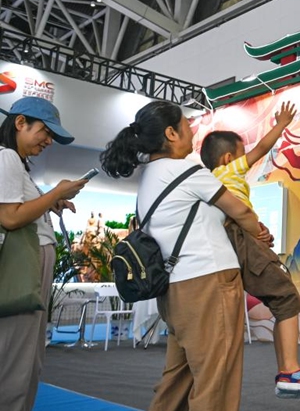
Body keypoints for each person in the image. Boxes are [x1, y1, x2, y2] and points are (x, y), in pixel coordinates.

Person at [100, 101, 264, 411]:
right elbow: (240, 210)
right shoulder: (187, 170)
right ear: (171, 133)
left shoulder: (149, 176)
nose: (192, 133)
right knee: (216, 381)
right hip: (208, 283)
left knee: (177, 381)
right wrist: (259, 231)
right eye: (187, 127)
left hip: (175, 291)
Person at [200, 101, 300, 397]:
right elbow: (261, 149)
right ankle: (290, 371)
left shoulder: (209, 182)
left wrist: (257, 231)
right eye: (241, 156)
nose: (246, 160)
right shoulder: (227, 169)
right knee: (286, 298)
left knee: (279, 300)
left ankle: (289, 369)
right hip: (242, 240)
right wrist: (282, 124)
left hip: (235, 242)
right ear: (228, 157)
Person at [0, 97, 86, 411]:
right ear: (20, 123)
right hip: (25, 263)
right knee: (17, 359)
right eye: (45, 131)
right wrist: (55, 193)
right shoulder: (7, 156)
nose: (48, 141)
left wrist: (51, 202)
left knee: (22, 355)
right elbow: (9, 217)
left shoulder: (13, 161)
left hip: (29, 263)